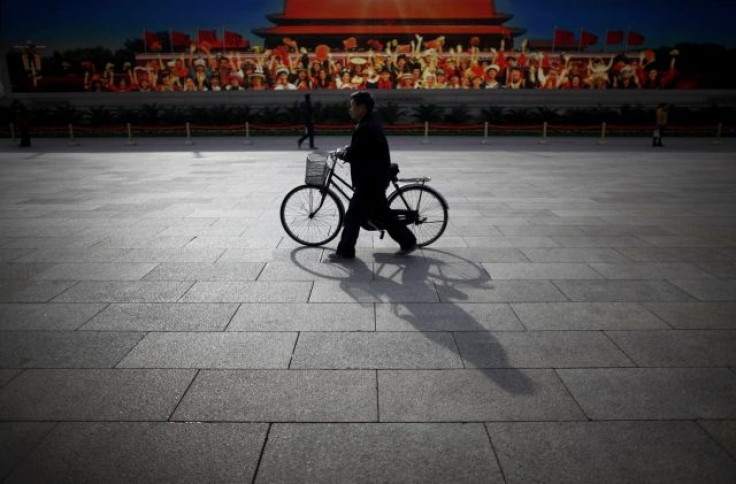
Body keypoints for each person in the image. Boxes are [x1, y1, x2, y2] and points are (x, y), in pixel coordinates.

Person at [329, 91, 417, 260]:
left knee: (353, 216)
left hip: (370, 180)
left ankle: (345, 251)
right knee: (382, 214)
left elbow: (357, 153)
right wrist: (347, 150)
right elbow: (361, 148)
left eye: (352, 105)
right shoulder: (369, 123)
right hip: (374, 177)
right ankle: (408, 241)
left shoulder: (366, 127)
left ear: (361, 107)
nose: (350, 109)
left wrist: (344, 154)